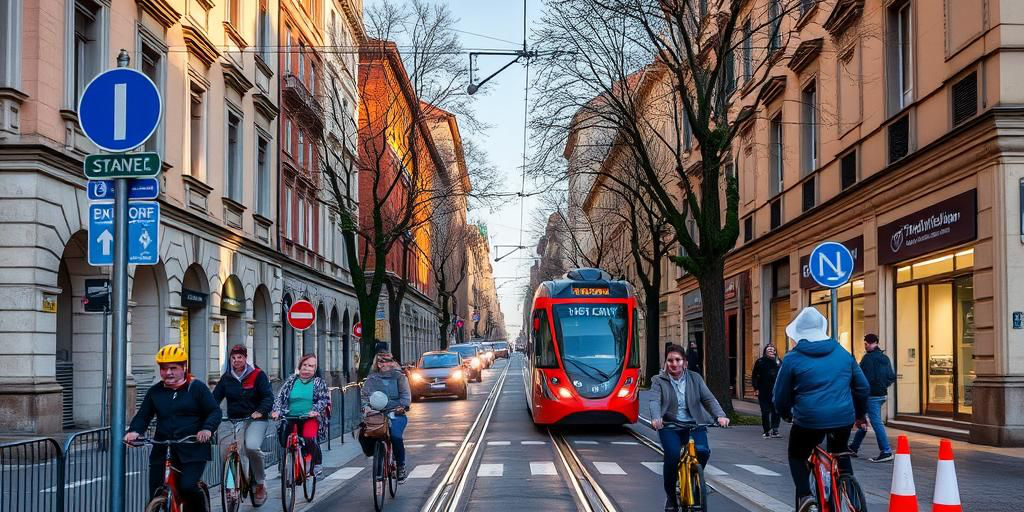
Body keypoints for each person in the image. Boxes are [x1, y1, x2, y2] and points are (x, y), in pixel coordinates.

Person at [773, 308, 869, 512]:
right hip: (843, 418)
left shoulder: (792, 358)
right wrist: (860, 416)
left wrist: (786, 414)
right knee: (840, 452)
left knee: (797, 455)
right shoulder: (844, 354)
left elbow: (780, 396)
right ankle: (849, 491)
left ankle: (806, 496)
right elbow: (863, 387)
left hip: (809, 420)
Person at [124, 345, 221, 512]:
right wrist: (134, 431)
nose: (168, 373)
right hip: (163, 447)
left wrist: (207, 429)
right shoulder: (155, 391)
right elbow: (143, 415)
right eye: (163, 368)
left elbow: (214, 411)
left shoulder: (196, 388)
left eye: (173, 368)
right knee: (156, 493)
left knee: (188, 487)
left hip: (192, 447)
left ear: (184, 368)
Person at [650, 344, 730, 512]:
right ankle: (671, 497)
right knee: (672, 456)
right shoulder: (658, 380)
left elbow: (708, 399)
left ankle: (696, 478)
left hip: (694, 424)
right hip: (669, 426)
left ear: (685, 362)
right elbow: (654, 401)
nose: (674, 363)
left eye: (678, 360)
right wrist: (656, 418)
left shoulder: (695, 378)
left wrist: (720, 416)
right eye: (670, 360)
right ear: (666, 363)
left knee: (702, 451)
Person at [212, 344, 273, 505]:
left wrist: (260, 411)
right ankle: (228, 484)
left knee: (251, 446)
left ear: (246, 358)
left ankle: (260, 483)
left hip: (255, 419)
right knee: (225, 449)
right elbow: (214, 399)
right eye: (233, 357)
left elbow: (268, 396)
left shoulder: (257, 375)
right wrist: (208, 414)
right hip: (233, 420)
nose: (236, 360)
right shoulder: (227, 378)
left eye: (240, 357)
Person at [272, 354, 331, 477]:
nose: (307, 368)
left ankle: (316, 463)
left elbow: (324, 399)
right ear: (300, 366)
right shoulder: (291, 381)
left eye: (311, 366)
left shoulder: (318, 382)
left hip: (309, 417)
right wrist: (277, 411)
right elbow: (280, 398)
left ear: (315, 369)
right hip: (290, 416)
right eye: (305, 365)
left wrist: (315, 410)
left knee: (309, 437)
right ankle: (286, 462)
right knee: (284, 438)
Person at [360, 351, 412, 482]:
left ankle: (400, 466)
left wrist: (403, 406)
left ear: (392, 362)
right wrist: (366, 407)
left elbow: (406, 396)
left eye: (386, 361)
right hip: (376, 414)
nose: (383, 364)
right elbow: (365, 396)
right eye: (380, 361)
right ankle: (375, 454)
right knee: (365, 433)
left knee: (395, 436)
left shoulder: (399, 377)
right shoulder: (371, 379)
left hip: (395, 412)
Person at [848, 333, 897, 462]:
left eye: (866, 343)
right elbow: (892, 376)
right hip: (882, 394)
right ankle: (853, 447)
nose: (865, 346)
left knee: (875, 422)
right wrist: (883, 385)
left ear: (872, 343)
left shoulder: (867, 359)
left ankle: (886, 451)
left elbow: (862, 378)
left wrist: (858, 391)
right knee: (866, 419)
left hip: (871, 395)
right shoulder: (884, 358)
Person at [752, 344, 782, 439]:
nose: (771, 350)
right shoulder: (760, 361)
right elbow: (754, 376)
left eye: (773, 349)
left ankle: (775, 429)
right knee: (765, 411)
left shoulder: (779, 362)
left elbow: (783, 376)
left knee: (776, 411)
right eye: (769, 349)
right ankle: (766, 430)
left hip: (776, 391)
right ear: (765, 351)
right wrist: (756, 388)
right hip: (763, 390)